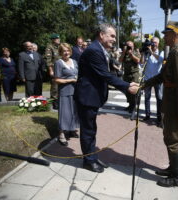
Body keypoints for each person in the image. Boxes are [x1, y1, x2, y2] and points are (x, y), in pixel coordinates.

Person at [74, 23, 139, 173]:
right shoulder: (94, 50)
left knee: (91, 129)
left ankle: (92, 157)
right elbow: (105, 75)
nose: (114, 39)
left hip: (92, 97)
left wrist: (127, 82)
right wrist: (127, 86)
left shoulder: (100, 49)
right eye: (112, 36)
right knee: (88, 130)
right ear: (101, 35)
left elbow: (110, 70)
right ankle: (88, 161)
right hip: (87, 97)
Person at [142, 21, 178, 187]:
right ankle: (172, 169)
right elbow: (162, 76)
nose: (164, 37)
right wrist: (143, 85)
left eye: (166, 34)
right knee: (169, 137)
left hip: (176, 107)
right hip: (170, 105)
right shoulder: (173, 53)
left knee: (173, 140)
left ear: (175, 35)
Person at [54, 43, 79, 146]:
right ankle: (61, 134)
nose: (66, 52)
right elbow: (57, 79)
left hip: (76, 91)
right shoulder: (59, 63)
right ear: (60, 52)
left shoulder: (74, 61)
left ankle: (72, 130)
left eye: (68, 50)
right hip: (65, 91)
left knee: (74, 111)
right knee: (64, 113)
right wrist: (71, 80)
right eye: (64, 51)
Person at [140, 37, 163, 123]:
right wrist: (143, 53)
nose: (153, 44)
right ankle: (147, 114)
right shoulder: (147, 52)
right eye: (152, 42)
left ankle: (159, 117)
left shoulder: (161, 52)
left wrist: (152, 52)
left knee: (159, 98)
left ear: (158, 43)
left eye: (155, 42)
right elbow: (141, 63)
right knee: (147, 98)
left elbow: (161, 60)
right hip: (147, 79)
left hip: (157, 79)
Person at [119, 41, 141, 113]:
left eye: (130, 46)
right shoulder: (124, 53)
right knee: (127, 91)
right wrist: (124, 52)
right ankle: (130, 105)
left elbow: (138, 60)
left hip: (134, 75)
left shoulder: (136, 52)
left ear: (133, 46)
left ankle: (134, 106)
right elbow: (120, 60)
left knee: (133, 92)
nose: (129, 47)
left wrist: (131, 54)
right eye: (127, 45)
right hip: (126, 74)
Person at [44, 33, 61, 109]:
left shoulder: (59, 47)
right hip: (54, 69)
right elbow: (48, 60)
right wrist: (50, 70)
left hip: (61, 69)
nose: (59, 40)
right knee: (55, 87)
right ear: (53, 40)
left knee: (60, 86)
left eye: (59, 38)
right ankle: (54, 103)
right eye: (57, 39)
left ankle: (59, 102)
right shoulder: (49, 47)